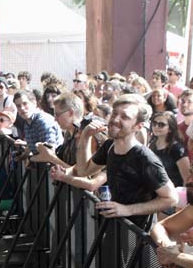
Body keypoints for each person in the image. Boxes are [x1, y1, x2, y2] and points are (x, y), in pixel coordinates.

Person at [76, 94, 178, 228]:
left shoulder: (144, 158)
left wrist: (127, 209)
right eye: (114, 114)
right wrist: (86, 136)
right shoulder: (109, 146)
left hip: (137, 236)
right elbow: (84, 170)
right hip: (115, 230)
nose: (115, 119)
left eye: (125, 117)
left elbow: (171, 198)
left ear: (138, 126)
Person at [13, 89, 63, 154]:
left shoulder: (43, 121)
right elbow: (35, 148)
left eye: (25, 103)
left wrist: (32, 159)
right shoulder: (27, 122)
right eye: (18, 106)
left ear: (34, 103)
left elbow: (50, 152)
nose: (22, 108)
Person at [148, 111, 189, 189]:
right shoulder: (152, 144)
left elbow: (186, 178)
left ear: (170, 129)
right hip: (155, 191)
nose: (156, 126)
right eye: (154, 123)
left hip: (174, 193)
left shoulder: (177, 149)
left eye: (161, 125)